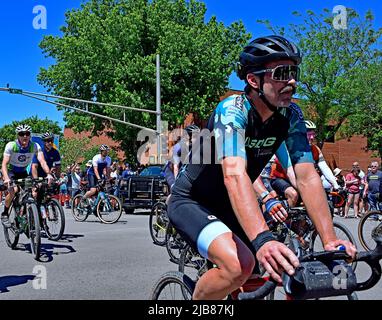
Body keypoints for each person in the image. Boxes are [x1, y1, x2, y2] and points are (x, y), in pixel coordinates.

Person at [167, 35, 356, 300]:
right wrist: (262, 239)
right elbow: (234, 175)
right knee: (239, 266)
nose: (291, 81)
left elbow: (307, 176)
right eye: (282, 73)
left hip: (234, 207)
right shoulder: (231, 112)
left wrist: (329, 240)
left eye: (294, 72)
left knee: (273, 270)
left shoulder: (291, 116)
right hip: (193, 202)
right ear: (253, 80)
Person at [1, 124, 54, 227]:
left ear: (30, 135)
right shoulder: (12, 145)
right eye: (22, 134)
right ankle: (5, 213)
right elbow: (4, 164)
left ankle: (24, 214)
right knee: (13, 190)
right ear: (18, 136)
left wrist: (48, 174)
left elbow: (42, 162)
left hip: (23, 173)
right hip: (11, 172)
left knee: (32, 193)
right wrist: (6, 178)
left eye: (27, 134)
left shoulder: (34, 146)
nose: (24, 136)